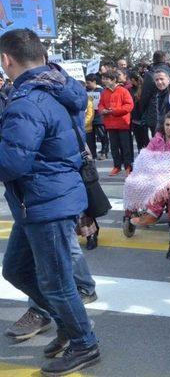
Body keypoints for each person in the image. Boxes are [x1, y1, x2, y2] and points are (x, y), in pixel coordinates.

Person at [0, 28, 99, 375]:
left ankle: (84, 343)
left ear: (6, 59)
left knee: (56, 284)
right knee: (15, 269)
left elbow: (12, 161)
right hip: (40, 201)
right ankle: (69, 326)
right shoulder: (53, 85)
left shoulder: (29, 100)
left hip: (46, 201)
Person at [124, 112, 170, 226]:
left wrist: (159, 169)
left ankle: (153, 214)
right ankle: (131, 211)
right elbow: (145, 157)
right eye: (167, 125)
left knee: (160, 184)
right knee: (132, 181)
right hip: (151, 172)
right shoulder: (156, 140)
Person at [98, 70, 134, 176]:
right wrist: (102, 110)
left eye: (106, 79)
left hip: (123, 124)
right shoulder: (104, 92)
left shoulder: (123, 91)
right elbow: (100, 104)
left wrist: (114, 111)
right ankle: (117, 166)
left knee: (125, 146)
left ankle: (128, 166)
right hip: (110, 124)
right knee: (114, 147)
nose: (104, 81)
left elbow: (129, 105)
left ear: (113, 80)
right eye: (103, 79)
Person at [140, 50, 170, 134]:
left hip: (154, 110)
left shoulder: (149, 74)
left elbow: (145, 95)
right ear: (165, 59)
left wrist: (143, 110)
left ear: (153, 60)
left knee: (157, 138)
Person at [85, 73, 109, 160]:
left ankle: (104, 152)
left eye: (88, 83)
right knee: (90, 139)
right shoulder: (85, 91)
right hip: (89, 118)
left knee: (102, 136)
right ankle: (93, 154)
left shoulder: (101, 91)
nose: (87, 85)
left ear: (94, 82)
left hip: (99, 118)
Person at [129, 71, 149, 151]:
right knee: (139, 141)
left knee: (145, 140)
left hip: (142, 118)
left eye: (130, 80)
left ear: (133, 79)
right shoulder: (131, 89)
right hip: (135, 118)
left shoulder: (144, 88)